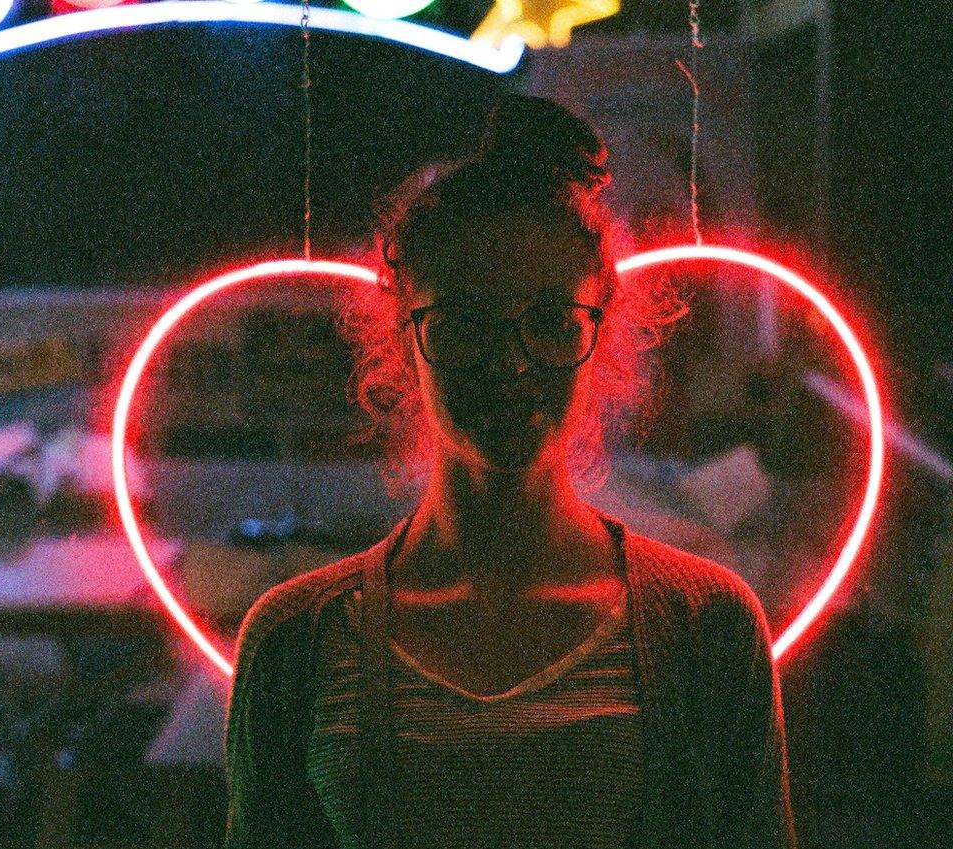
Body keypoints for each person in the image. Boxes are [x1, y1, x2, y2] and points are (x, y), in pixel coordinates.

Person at [224, 93, 799, 849]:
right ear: (404, 333)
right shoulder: (295, 645)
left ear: (602, 327)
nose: (511, 360)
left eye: (552, 320)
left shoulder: (709, 628)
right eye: (463, 321)